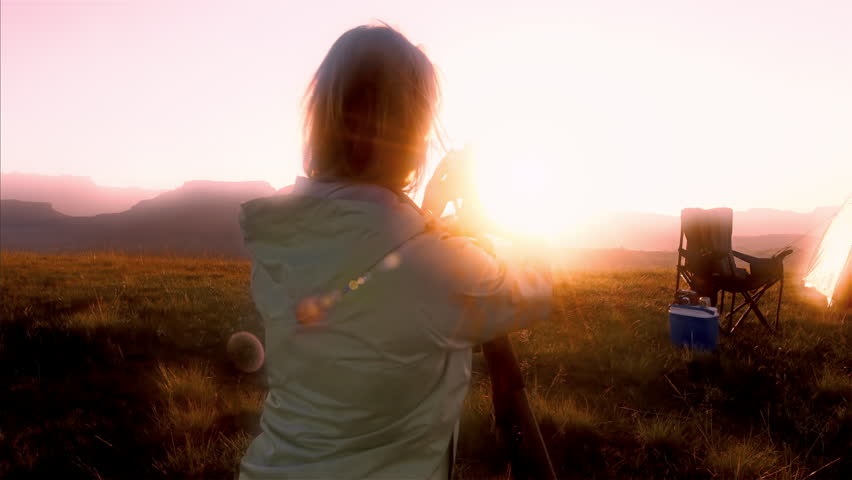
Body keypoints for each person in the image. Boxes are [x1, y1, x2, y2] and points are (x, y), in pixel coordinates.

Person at [237, 24, 552, 480]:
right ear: (411, 132)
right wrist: (480, 214)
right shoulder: (431, 268)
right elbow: (536, 285)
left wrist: (425, 216)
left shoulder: (283, 239)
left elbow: (376, 258)